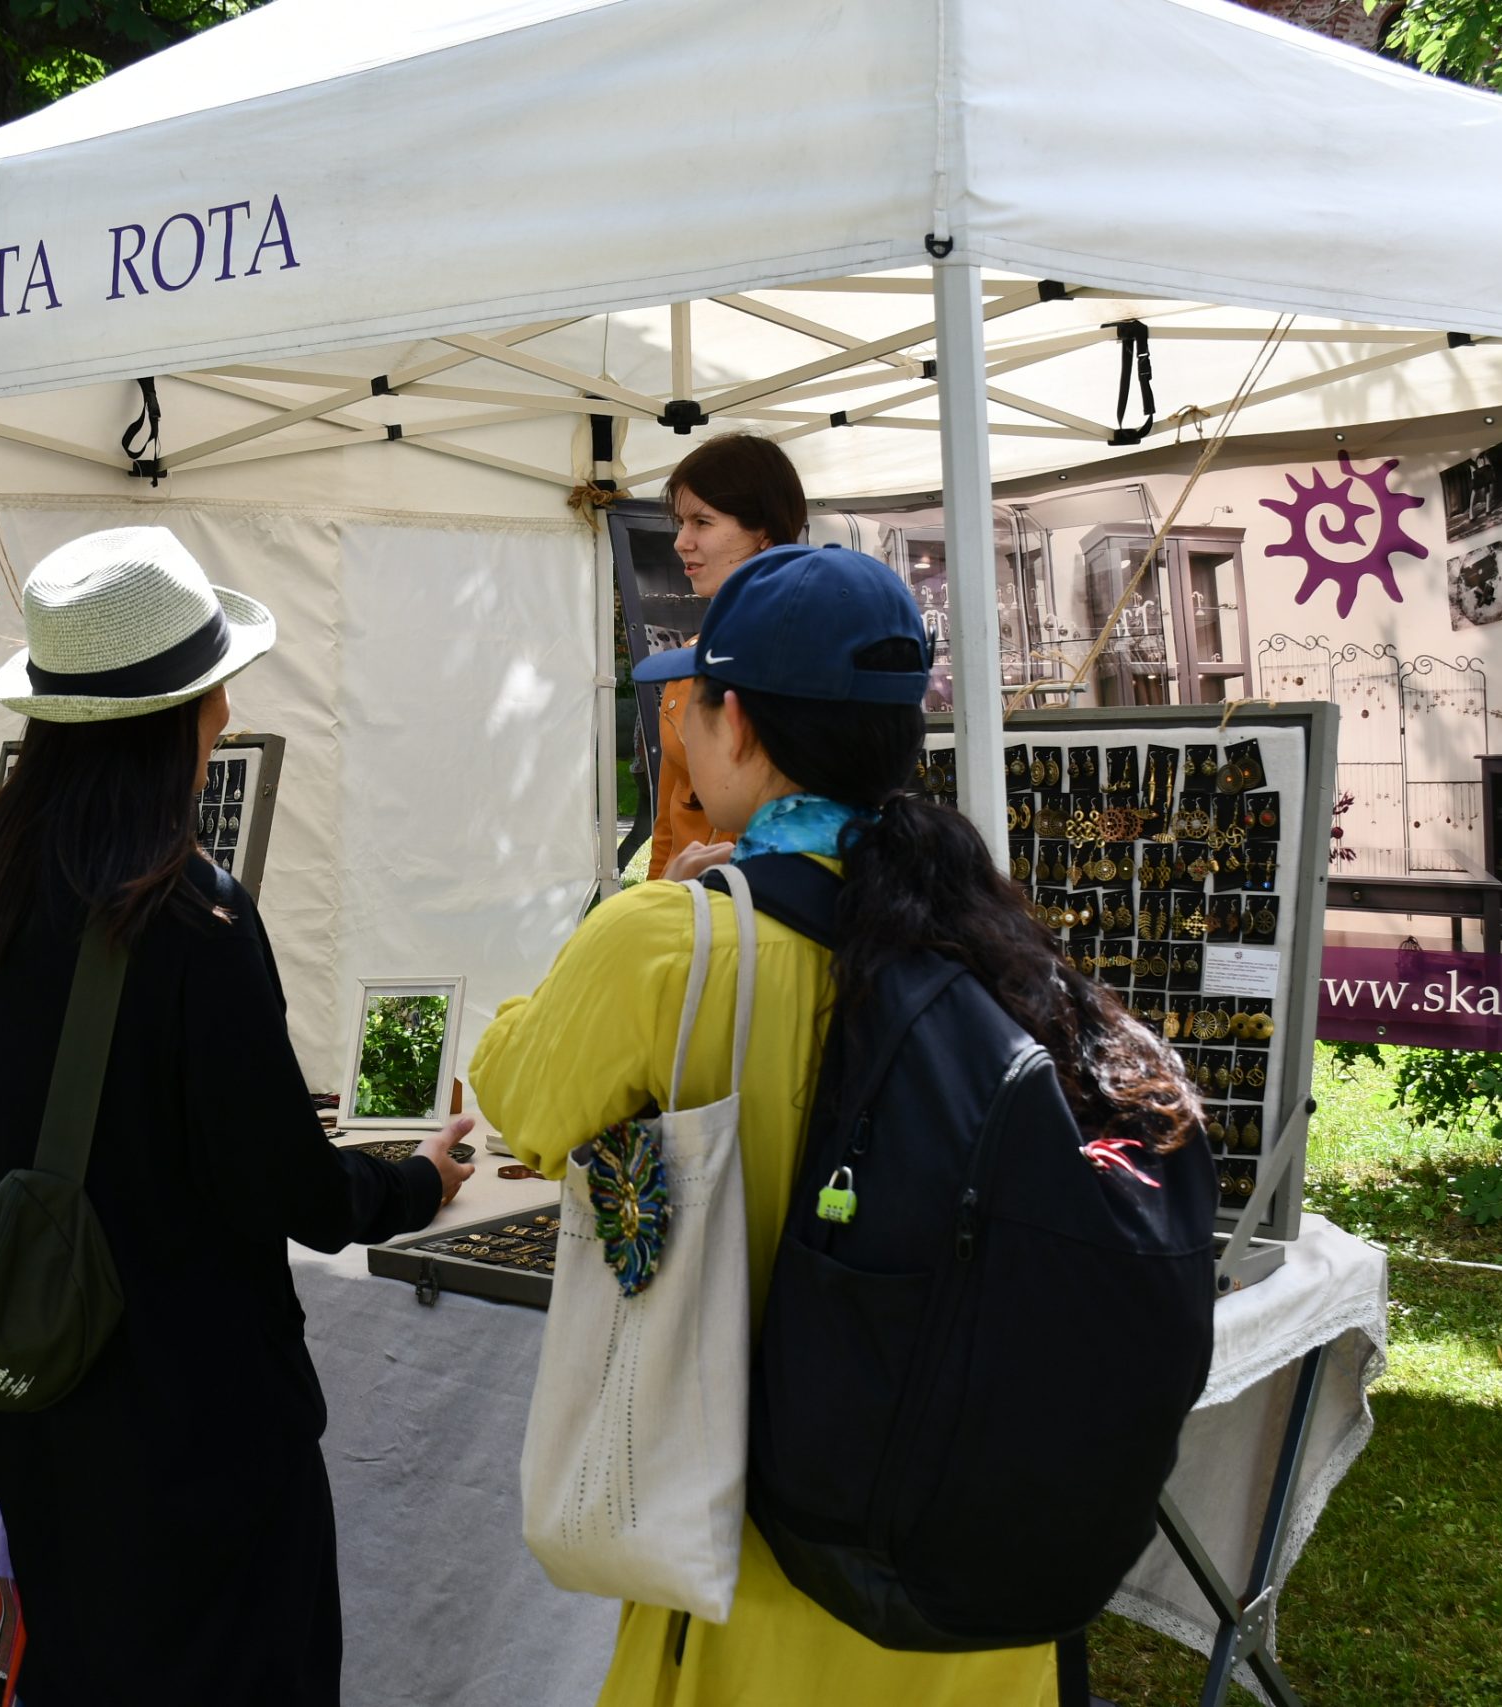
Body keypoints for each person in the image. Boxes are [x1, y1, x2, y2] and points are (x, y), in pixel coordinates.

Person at [470, 542, 1201, 1707]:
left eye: (690, 700)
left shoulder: (671, 940)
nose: (679, 726)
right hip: (967, 1609)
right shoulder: (987, 931)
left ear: (740, 725)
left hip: (766, 1583)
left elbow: (520, 1098)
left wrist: (644, 908)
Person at [0, 525, 475, 1704]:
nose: (226, 716)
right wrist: (414, 1180)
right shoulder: (189, 913)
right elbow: (291, 1187)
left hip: (47, 1383)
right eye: (214, 690)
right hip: (197, 1405)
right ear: (171, 719)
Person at [643, 432, 807, 885]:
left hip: (776, 899)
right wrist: (658, 901)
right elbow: (669, 820)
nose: (681, 541)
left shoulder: (810, 656)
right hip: (690, 907)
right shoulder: (688, 660)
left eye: (702, 521)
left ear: (764, 531)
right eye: (681, 522)